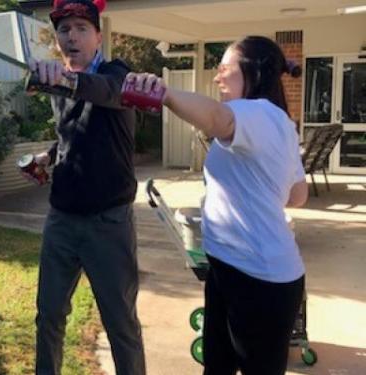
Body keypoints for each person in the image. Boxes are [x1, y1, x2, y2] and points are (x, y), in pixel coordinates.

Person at [127, 36, 307, 375]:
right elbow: (297, 195)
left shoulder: (255, 113)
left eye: (224, 69)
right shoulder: (281, 122)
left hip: (257, 278)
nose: (217, 77)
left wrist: (164, 93)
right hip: (236, 269)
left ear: (251, 73)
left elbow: (217, 119)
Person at [25, 0, 145, 374]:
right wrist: (48, 157)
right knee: (48, 316)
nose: (71, 37)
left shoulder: (117, 75)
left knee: (120, 323)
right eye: (64, 30)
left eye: (80, 28)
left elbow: (106, 93)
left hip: (108, 222)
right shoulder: (61, 82)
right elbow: (71, 134)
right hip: (61, 220)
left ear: (97, 35)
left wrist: (65, 80)